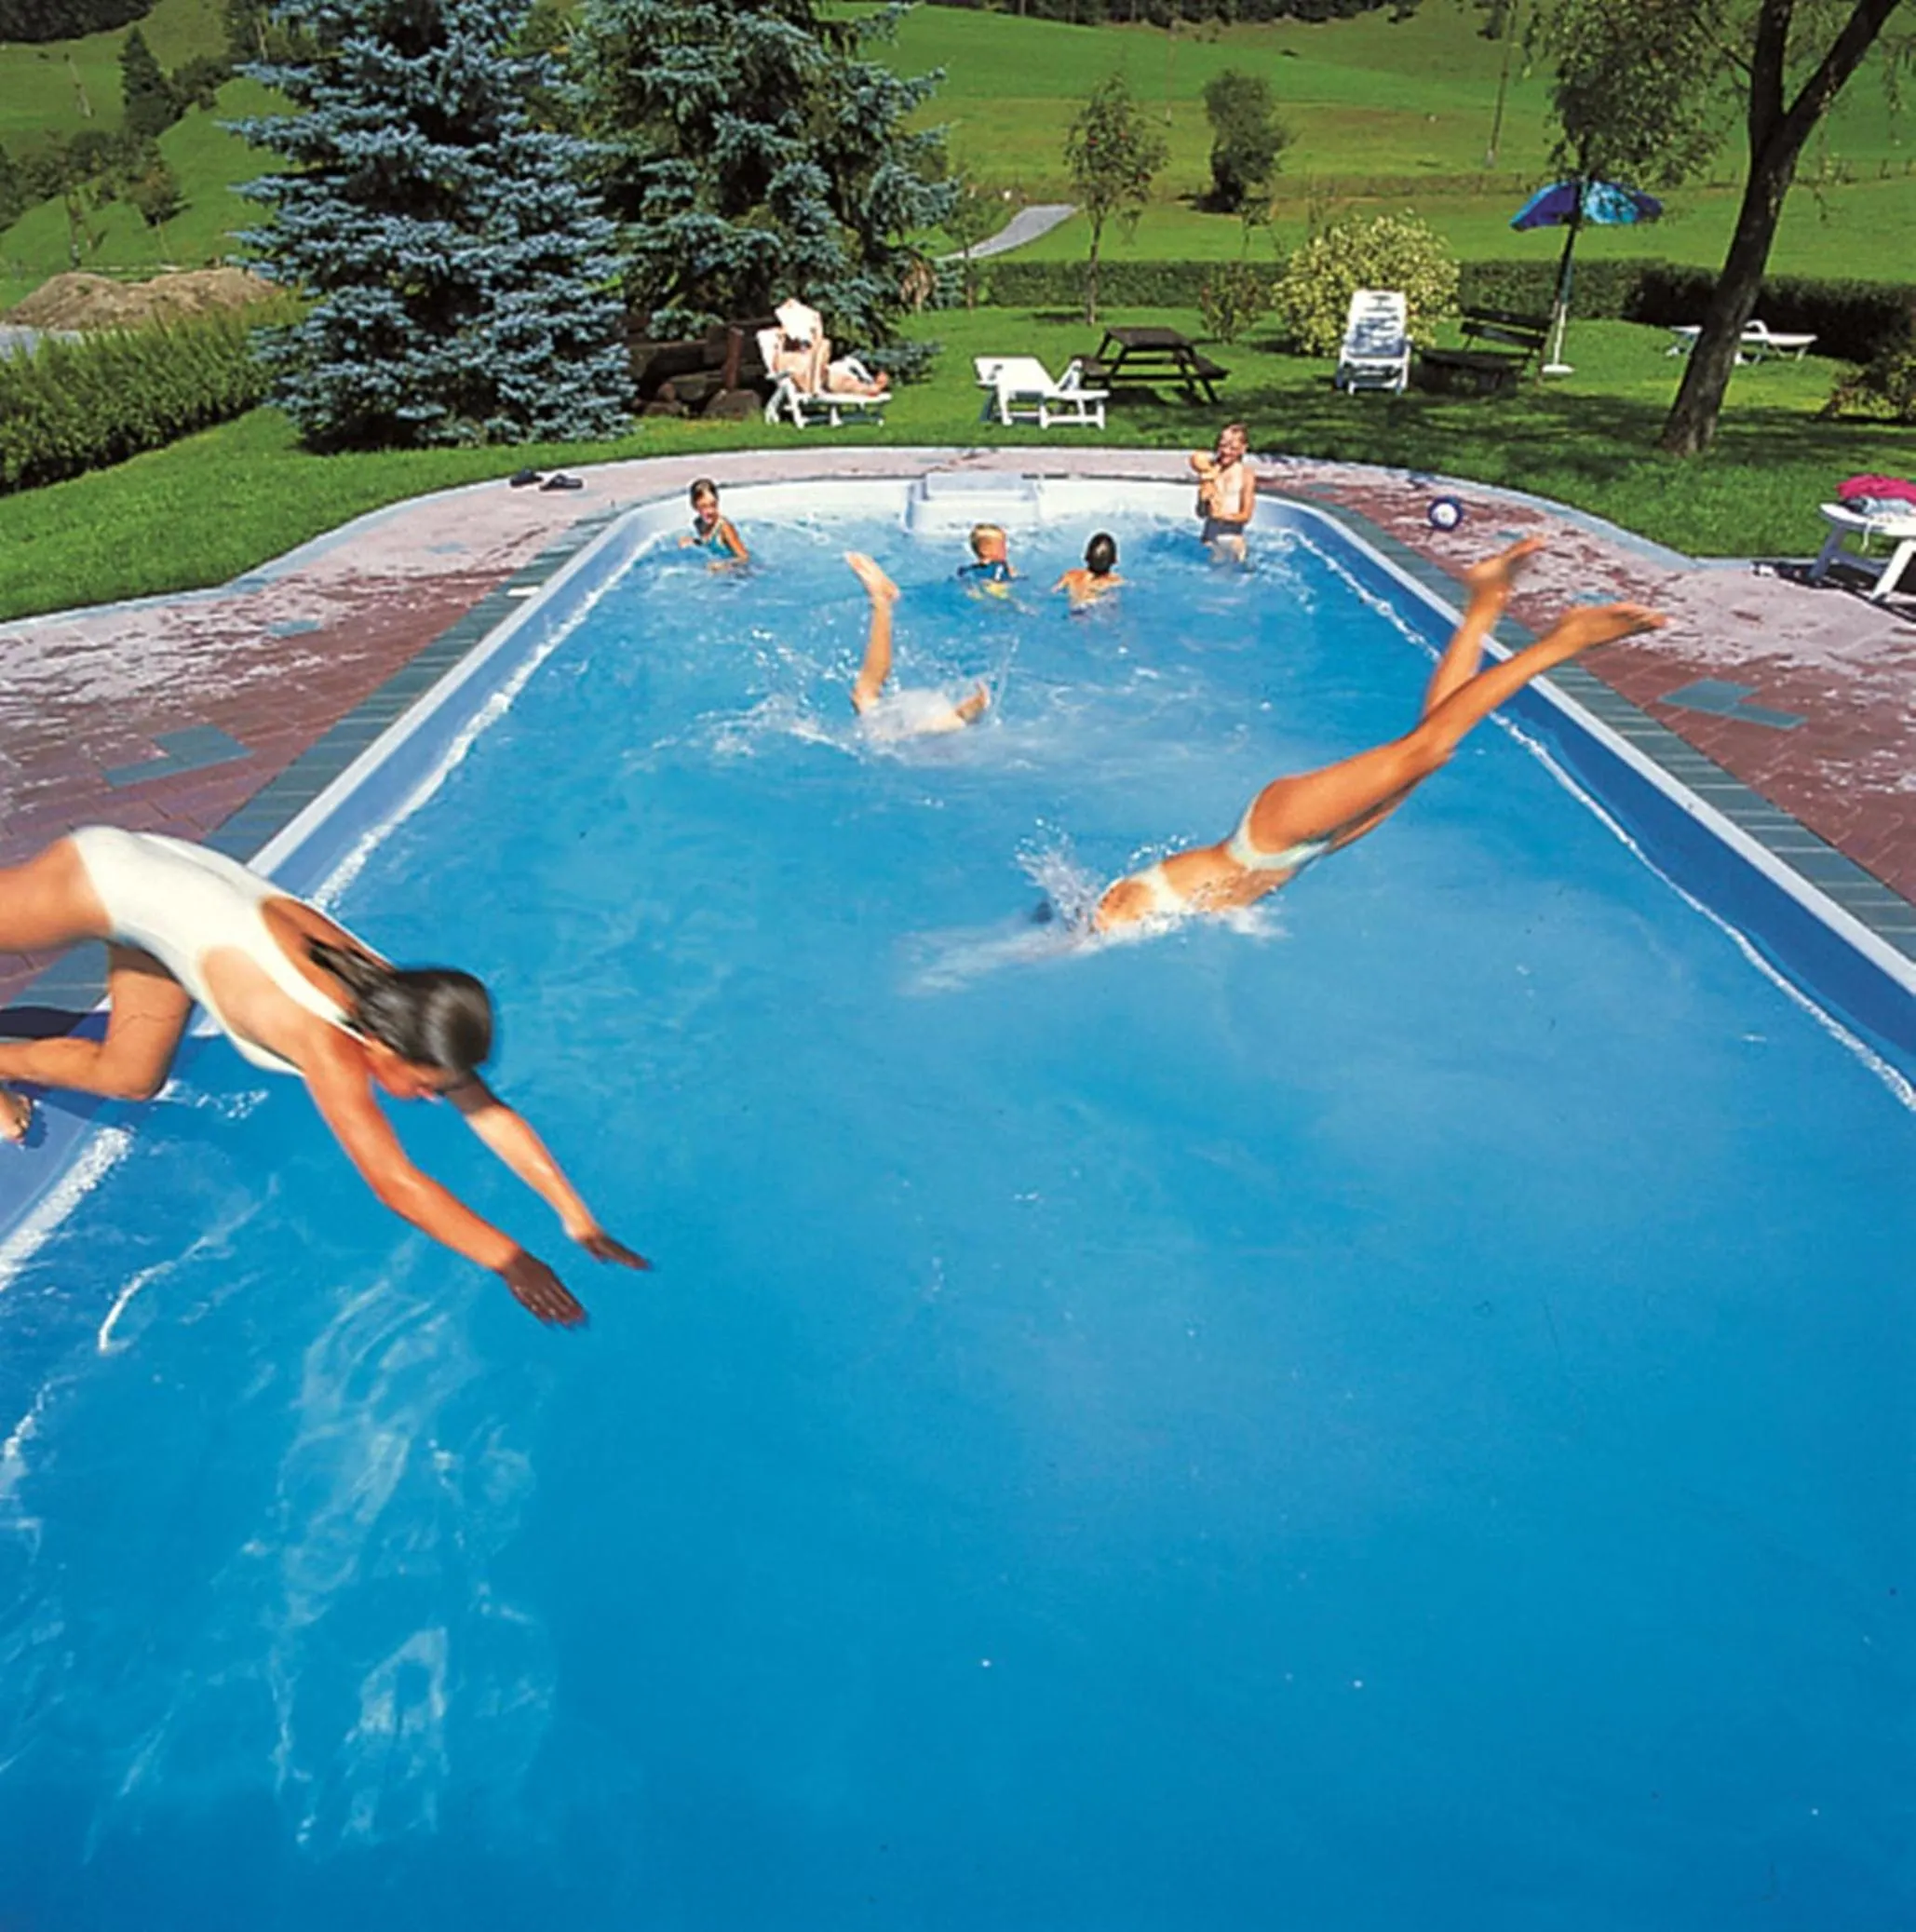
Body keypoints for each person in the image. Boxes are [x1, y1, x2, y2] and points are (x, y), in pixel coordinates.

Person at [0, 829, 646, 1326]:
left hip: (157, 903)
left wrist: (574, 1215)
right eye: (426, 1083)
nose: (432, 1095)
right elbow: (396, 1182)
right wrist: (511, 1260)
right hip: (101, 878)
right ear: (384, 1046)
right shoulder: (329, 1042)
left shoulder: (407, 1004)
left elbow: (487, 1110)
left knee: (130, 1076)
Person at [1093, 539, 1666, 930]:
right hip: (1297, 854)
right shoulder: (1117, 923)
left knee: (1429, 749)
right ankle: (1484, 604)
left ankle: (1562, 641)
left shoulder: (1111, 920)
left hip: (1275, 830)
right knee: (1430, 750)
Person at [844, 553, 991, 736]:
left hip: (931, 722)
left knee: (865, 699)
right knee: (866, 701)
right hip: (931, 725)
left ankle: (882, 602)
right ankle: (881, 602)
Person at [771, 298, 890, 399]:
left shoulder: (803, 349)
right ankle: (815, 388)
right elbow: (779, 367)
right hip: (805, 381)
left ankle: (871, 389)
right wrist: (782, 339)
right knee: (825, 344)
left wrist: (815, 325)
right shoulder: (782, 351)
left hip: (819, 376)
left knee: (845, 380)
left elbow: (814, 348)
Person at [1190, 422, 1256, 559]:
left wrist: (1221, 516)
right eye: (1223, 446)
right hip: (1208, 539)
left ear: (1243, 449)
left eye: (1233, 448)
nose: (1226, 451)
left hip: (1232, 540)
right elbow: (1201, 514)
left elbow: (1246, 515)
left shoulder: (1245, 475)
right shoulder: (1211, 472)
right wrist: (1202, 501)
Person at [681, 478, 749, 567]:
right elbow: (709, 544)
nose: (710, 511)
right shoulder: (699, 523)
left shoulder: (724, 527)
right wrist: (694, 542)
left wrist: (722, 565)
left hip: (739, 573)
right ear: (694, 506)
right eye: (704, 506)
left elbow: (744, 558)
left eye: (713, 505)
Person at [1053, 533, 1122, 610]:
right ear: (1114, 560)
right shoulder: (1114, 580)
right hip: (1092, 606)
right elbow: (1113, 603)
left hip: (1076, 608)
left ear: (1086, 557)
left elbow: (1054, 591)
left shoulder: (1070, 575)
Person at [957, 522, 1016, 597]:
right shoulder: (1000, 566)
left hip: (980, 586)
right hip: (995, 590)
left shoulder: (968, 569)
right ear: (985, 550)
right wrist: (1012, 574)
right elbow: (1006, 581)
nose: (1006, 549)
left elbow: (962, 577)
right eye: (1002, 546)